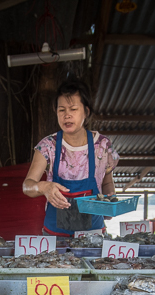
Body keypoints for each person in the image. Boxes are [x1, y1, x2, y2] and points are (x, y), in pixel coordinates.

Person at [22, 79, 118, 236]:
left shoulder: (102, 146)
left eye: (73, 109)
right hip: (55, 235)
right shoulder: (48, 146)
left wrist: (110, 203)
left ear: (86, 112)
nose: (67, 115)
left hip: (93, 235)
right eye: (61, 110)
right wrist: (44, 187)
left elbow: (106, 181)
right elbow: (27, 186)